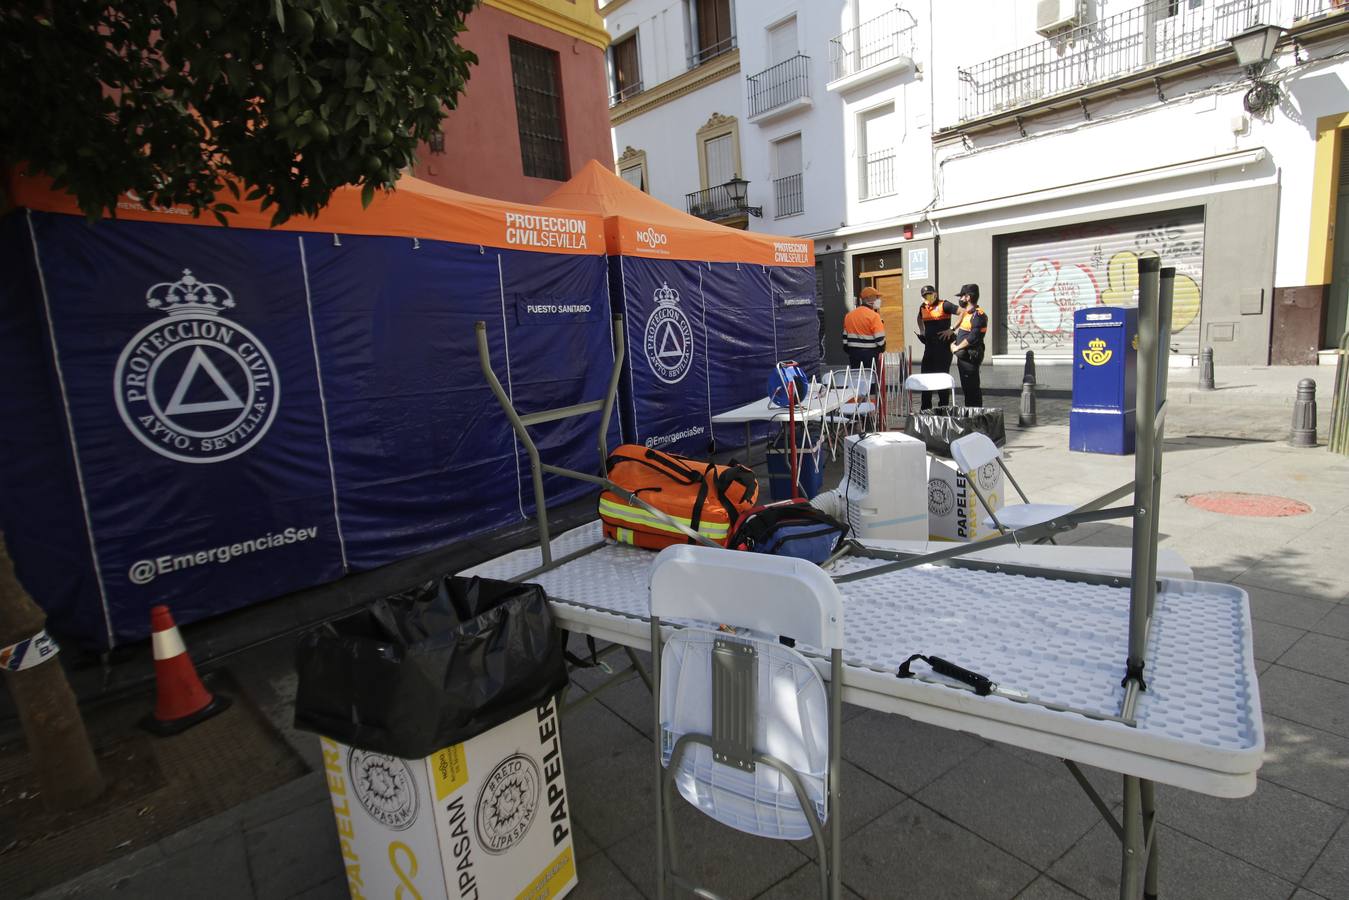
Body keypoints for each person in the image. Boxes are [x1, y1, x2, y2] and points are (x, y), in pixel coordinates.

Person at [913, 284, 958, 409]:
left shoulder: (945, 305)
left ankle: (943, 408)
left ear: (935, 294)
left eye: (929, 295)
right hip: (929, 347)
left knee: (941, 378)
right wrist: (922, 331)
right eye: (924, 296)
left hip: (943, 348)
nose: (927, 298)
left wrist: (952, 329)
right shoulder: (923, 307)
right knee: (925, 377)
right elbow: (919, 318)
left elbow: (963, 313)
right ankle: (925, 408)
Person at [951, 283, 988, 407]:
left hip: (971, 358)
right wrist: (951, 329)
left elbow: (973, 338)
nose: (960, 299)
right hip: (963, 359)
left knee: (972, 389)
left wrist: (956, 347)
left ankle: (976, 417)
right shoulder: (967, 313)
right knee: (967, 389)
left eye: (961, 296)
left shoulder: (979, 315)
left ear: (968, 297)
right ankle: (970, 414)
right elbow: (960, 318)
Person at [842, 286, 886, 373]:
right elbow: (880, 341)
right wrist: (882, 348)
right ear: (870, 299)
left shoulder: (849, 315)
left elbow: (845, 340)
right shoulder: (874, 316)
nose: (879, 300)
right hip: (870, 355)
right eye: (877, 297)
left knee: (856, 380)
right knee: (871, 380)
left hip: (854, 354)